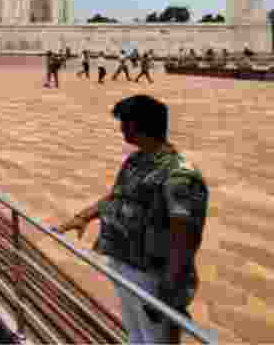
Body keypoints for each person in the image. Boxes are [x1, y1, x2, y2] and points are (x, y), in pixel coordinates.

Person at [55, 95, 208, 344]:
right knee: (135, 332)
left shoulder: (179, 175)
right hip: (124, 260)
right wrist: (83, 217)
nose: (121, 128)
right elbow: (118, 197)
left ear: (137, 126)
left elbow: (184, 236)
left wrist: (170, 286)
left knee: (156, 337)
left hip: (153, 274)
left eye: (124, 122)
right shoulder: (137, 161)